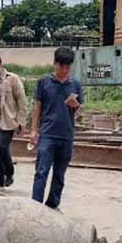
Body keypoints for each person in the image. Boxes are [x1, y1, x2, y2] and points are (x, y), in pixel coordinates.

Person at [30, 46, 83, 211]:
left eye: (68, 67)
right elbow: (37, 108)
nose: (64, 70)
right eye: (62, 66)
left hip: (66, 136)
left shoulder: (75, 85)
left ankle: (52, 205)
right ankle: (36, 207)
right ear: (55, 63)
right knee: (41, 172)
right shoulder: (43, 82)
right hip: (47, 135)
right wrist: (34, 130)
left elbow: (80, 111)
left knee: (59, 175)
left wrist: (76, 106)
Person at [0, 53, 27, 190]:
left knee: (1, 148)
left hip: (7, 121)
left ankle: (9, 172)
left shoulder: (12, 79)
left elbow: (22, 100)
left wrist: (21, 120)